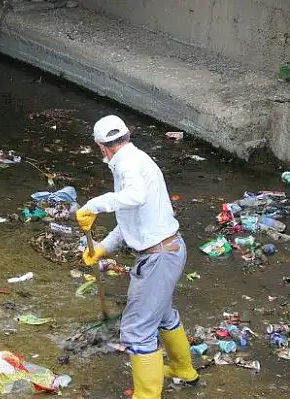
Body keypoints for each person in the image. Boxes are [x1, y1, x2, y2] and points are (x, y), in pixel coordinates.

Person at [75, 115, 198, 398]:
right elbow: (131, 218)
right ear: (126, 137)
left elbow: (135, 197)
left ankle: (147, 395)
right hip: (169, 249)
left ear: (101, 146)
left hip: (159, 257)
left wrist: (94, 205)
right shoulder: (136, 159)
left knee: (138, 330)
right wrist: (104, 246)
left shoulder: (128, 165)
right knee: (162, 314)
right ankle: (183, 369)